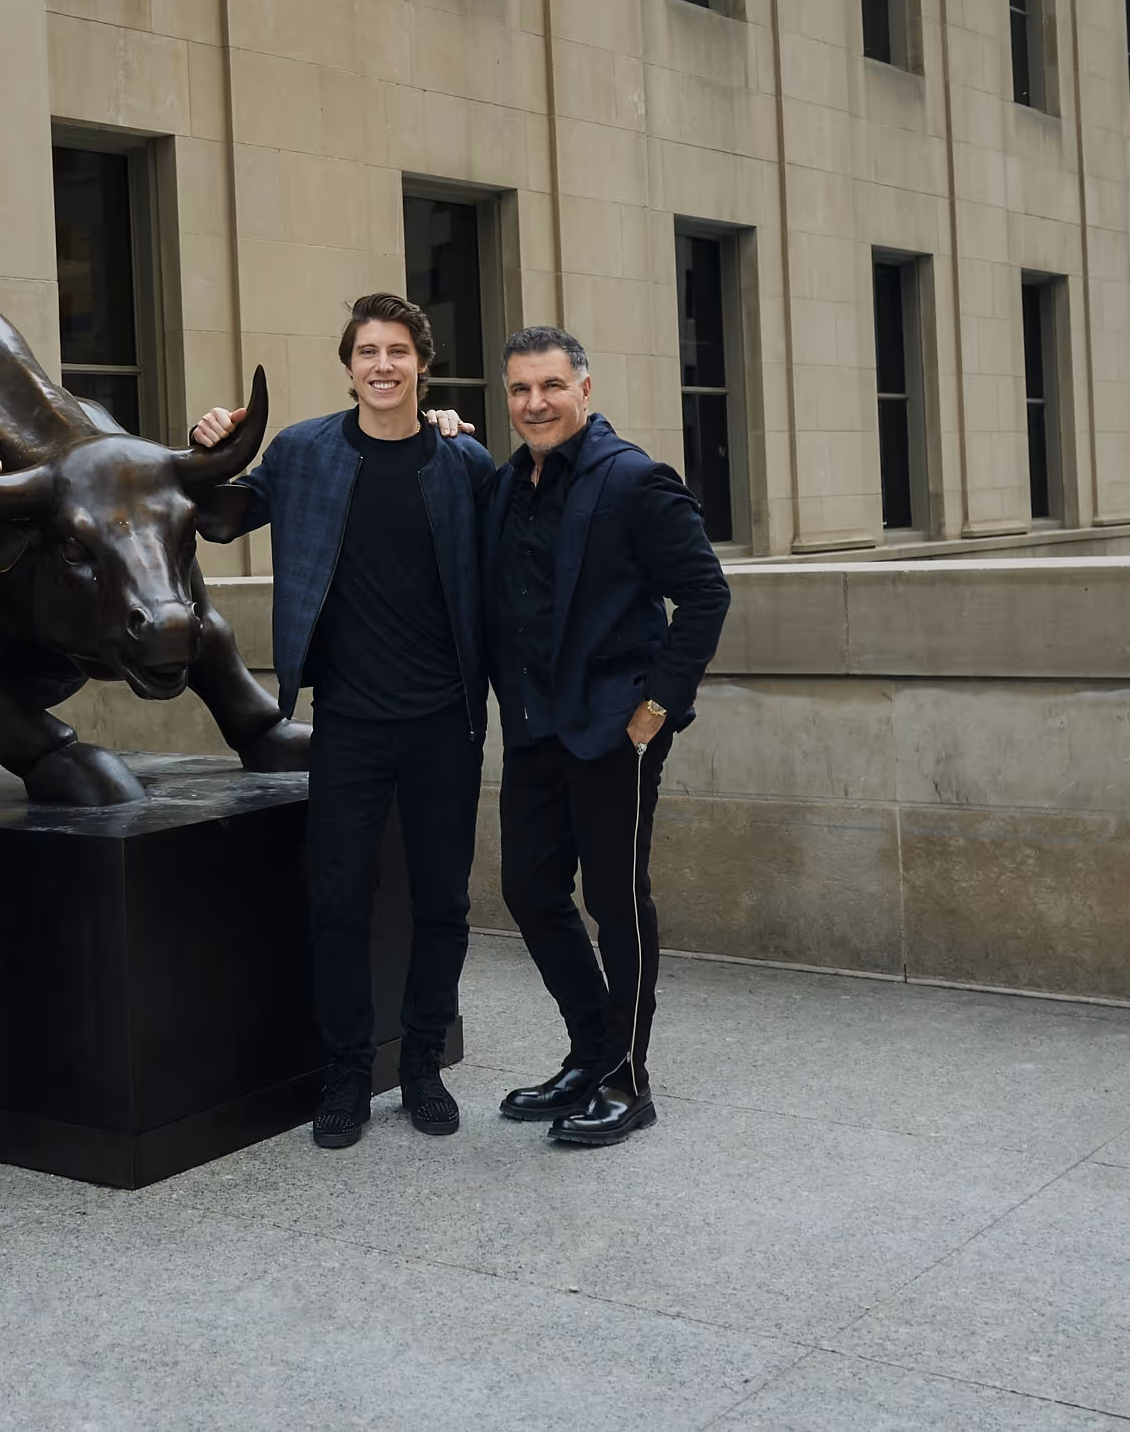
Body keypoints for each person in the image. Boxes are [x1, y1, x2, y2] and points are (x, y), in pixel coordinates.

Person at [192, 294, 494, 1150]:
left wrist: (459, 431)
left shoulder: (461, 464)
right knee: (337, 900)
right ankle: (348, 1071)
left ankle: (424, 1064)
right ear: (349, 365)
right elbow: (218, 520)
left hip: (445, 717)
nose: (382, 365)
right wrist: (206, 448)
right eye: (367, 351)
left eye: (397, 351)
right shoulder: (303, 452)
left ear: (421, 365)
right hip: (349, 719)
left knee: (440, 900)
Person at [478, 325, 730, 1147]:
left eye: (550, 386)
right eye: (519, 389)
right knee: (529, 891)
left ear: (583, 389)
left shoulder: (634, 480)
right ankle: (590, 1051)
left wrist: (655, 710)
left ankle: (628, 1079)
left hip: (614, 731)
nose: (534, 403)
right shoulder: (509, 484)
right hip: (534, 730)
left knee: (615, 904)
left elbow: (704, 595)